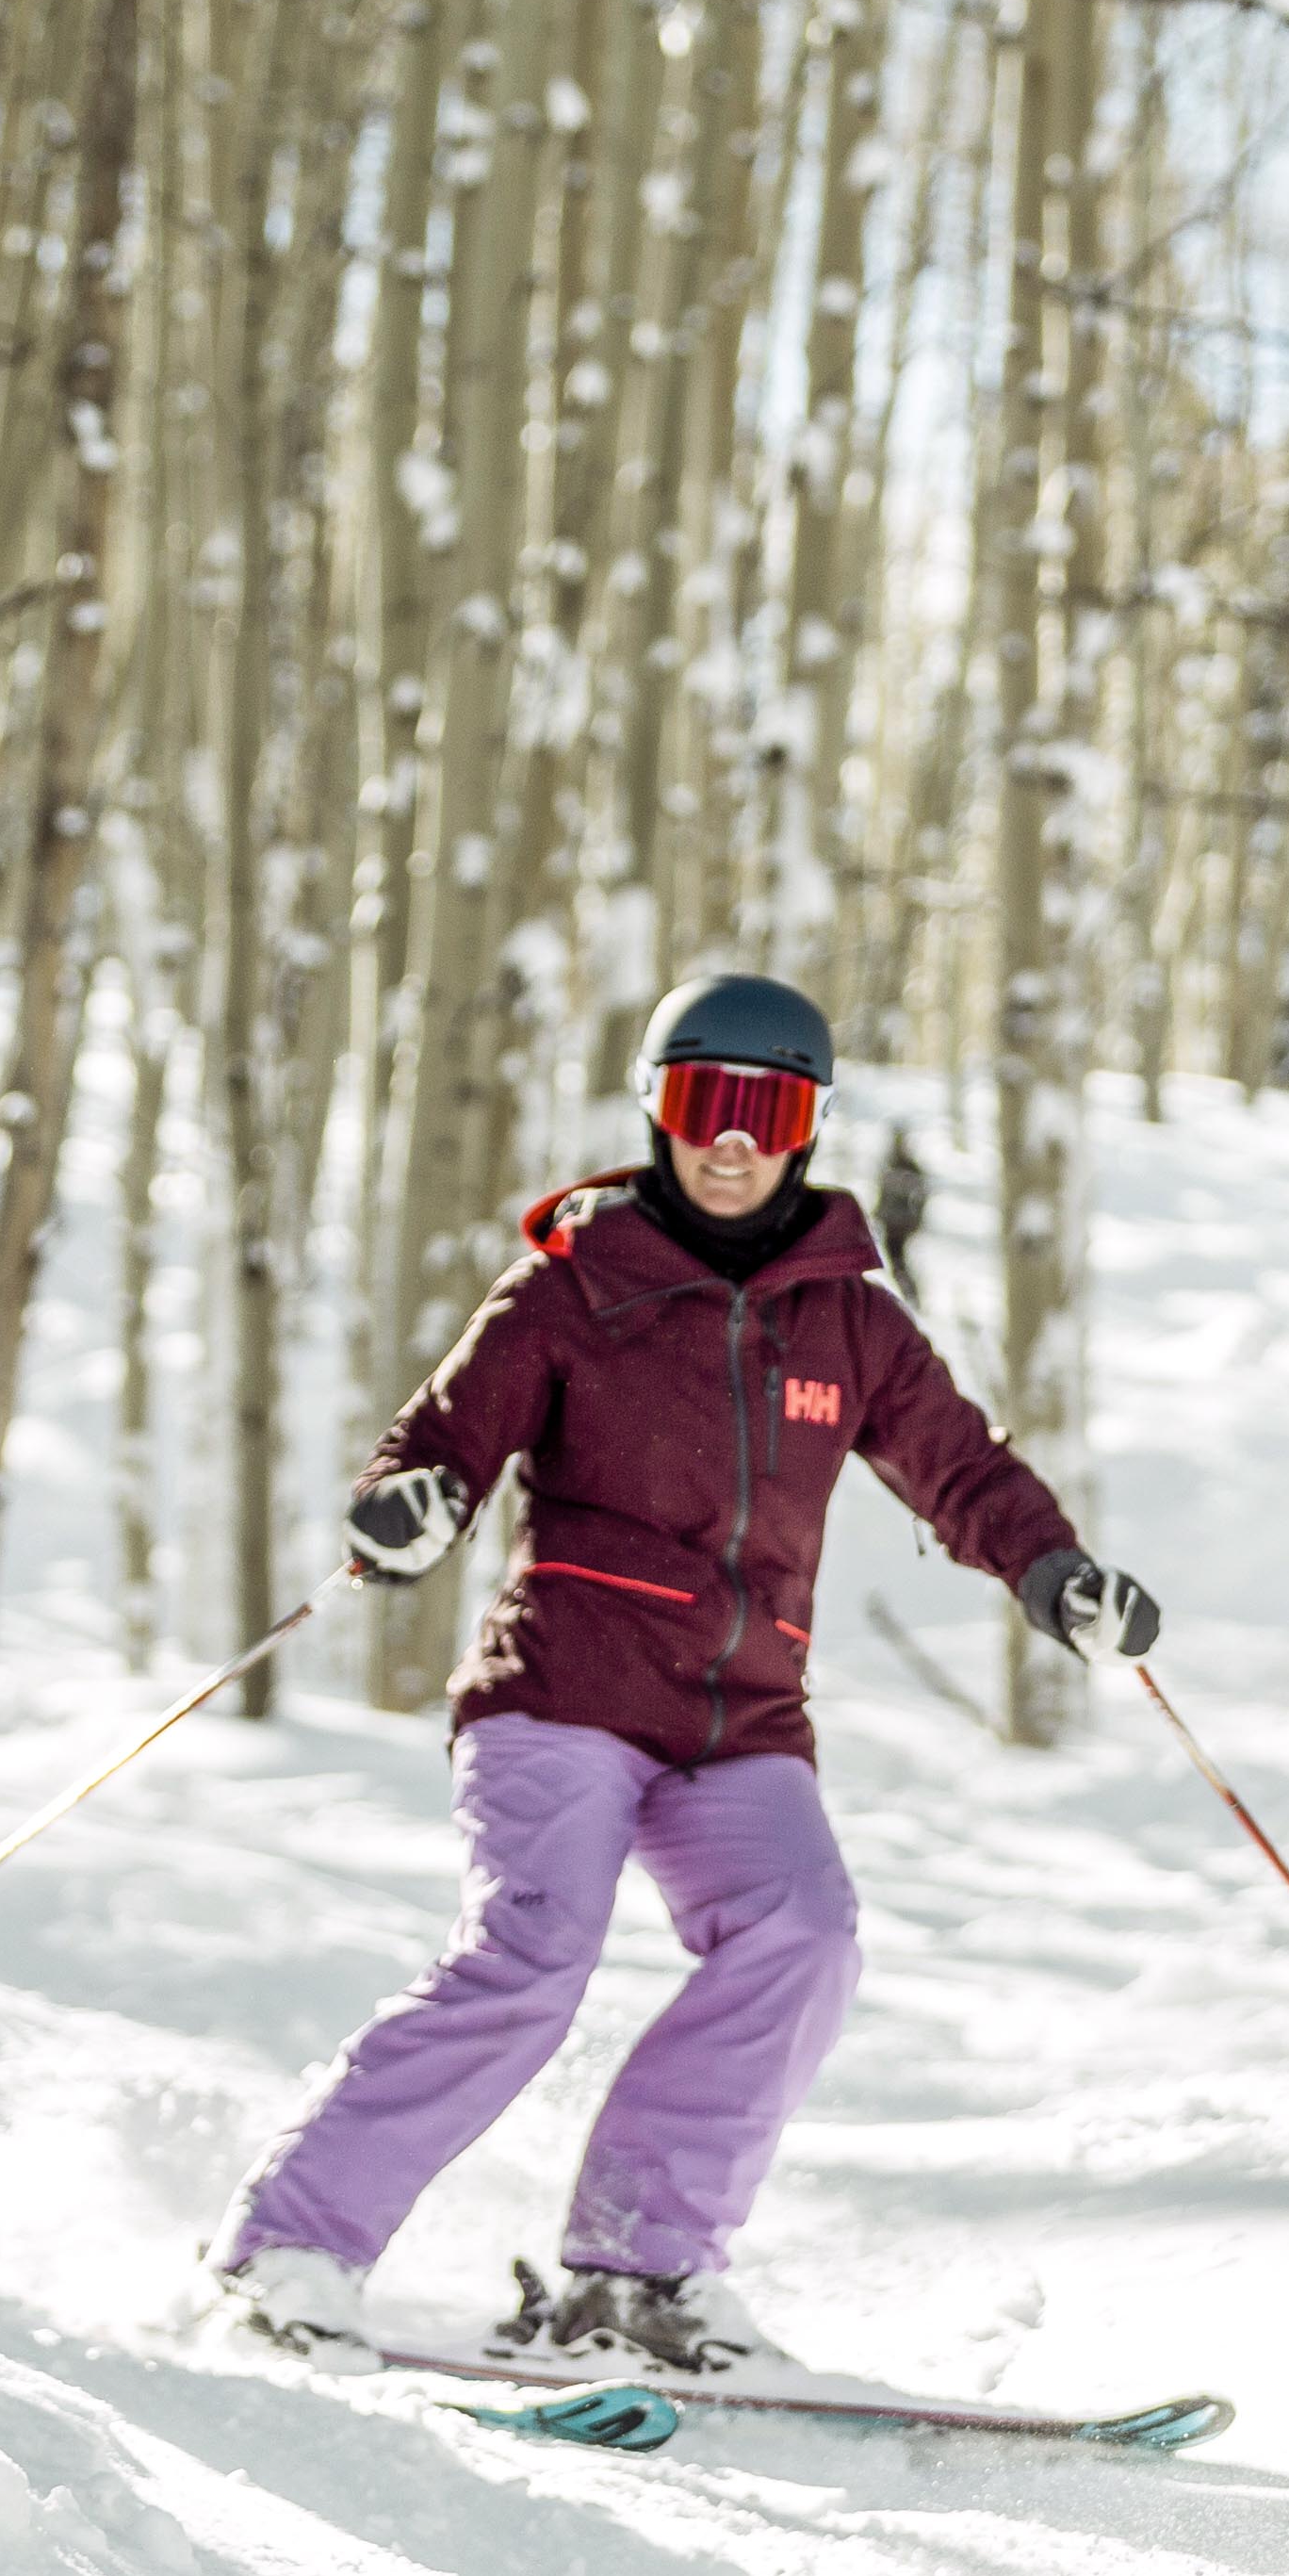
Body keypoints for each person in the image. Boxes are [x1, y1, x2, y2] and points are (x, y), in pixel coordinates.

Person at [211, 974, 1163, 2376]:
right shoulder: (572, 1285)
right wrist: (409, 1507)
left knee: (806, 1934)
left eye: (765, 1110)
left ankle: (639, 2268)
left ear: (808, 1129)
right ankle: (291, 2245)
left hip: (740, 1717)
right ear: (658, 1112)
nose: (732, 1141)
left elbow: (960, 1468)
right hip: (564, 1695)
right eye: (703, 1103)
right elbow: (444, 1438)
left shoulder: (849, 1321)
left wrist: (1051, 1570)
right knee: (533, 1953)